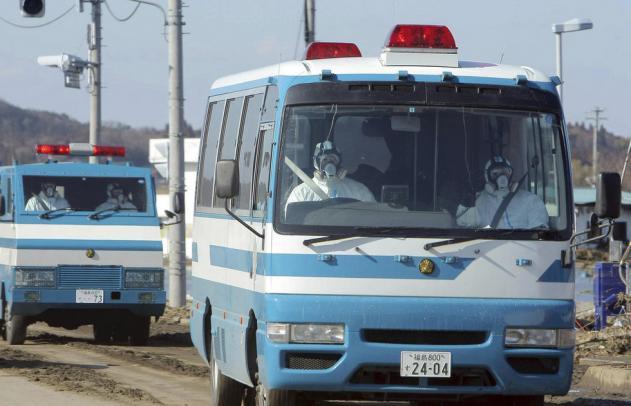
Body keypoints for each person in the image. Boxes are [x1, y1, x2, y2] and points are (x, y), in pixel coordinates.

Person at [456, 155, 549, 229]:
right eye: (495, 173)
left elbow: (539, 232)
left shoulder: (530, 200)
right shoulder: (477, 202)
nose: (502, 177)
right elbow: (462, 224)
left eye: (505, 172)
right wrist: (466, 203)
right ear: (487, 177)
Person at [285, 140, 375, 211]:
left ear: (339, 162)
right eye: (324, 160)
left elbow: (372, 218)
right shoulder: (301, 193)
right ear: (316, 164)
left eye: (333, 159)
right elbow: (292, 222)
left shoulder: (358, 190)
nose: (329, 163)